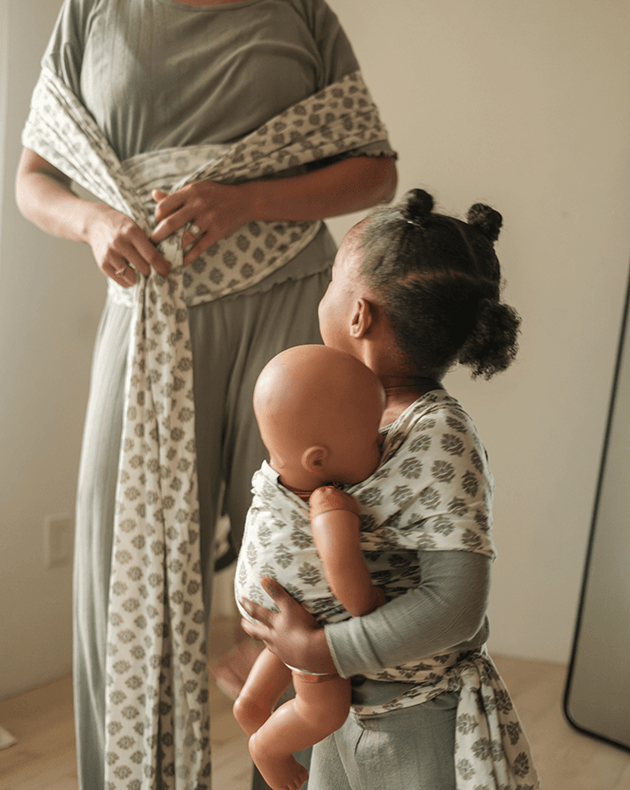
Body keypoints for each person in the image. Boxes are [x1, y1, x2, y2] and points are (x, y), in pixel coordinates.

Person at [15, 2, 397, 788]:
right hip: (147, 315)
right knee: (125, 575)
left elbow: (377, 169)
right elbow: (34, 179)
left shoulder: (298, 11)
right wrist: (91, 224)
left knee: (308, 563)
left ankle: (295, 776)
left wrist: (246, 198)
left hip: (286, 302)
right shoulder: (94, 10)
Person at [240, 189, 541, 790]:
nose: (320, 295)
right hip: (341, 708)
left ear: (359, 315)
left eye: (330, 281)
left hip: (414, 717)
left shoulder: (436, 431)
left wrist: (322, 651)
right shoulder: (341, 416)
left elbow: (456, 604)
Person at [233, 344, 386, 790]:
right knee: (325, 709)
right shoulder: (329, 503)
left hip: (265, 601)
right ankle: (267, 748)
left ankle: (253, 703)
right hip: (305, 612)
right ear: (318, 460)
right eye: (372, 436)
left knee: (285, 649)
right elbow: (348, 583)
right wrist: (373, 601)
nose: (380, 443)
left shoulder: (270, 477)